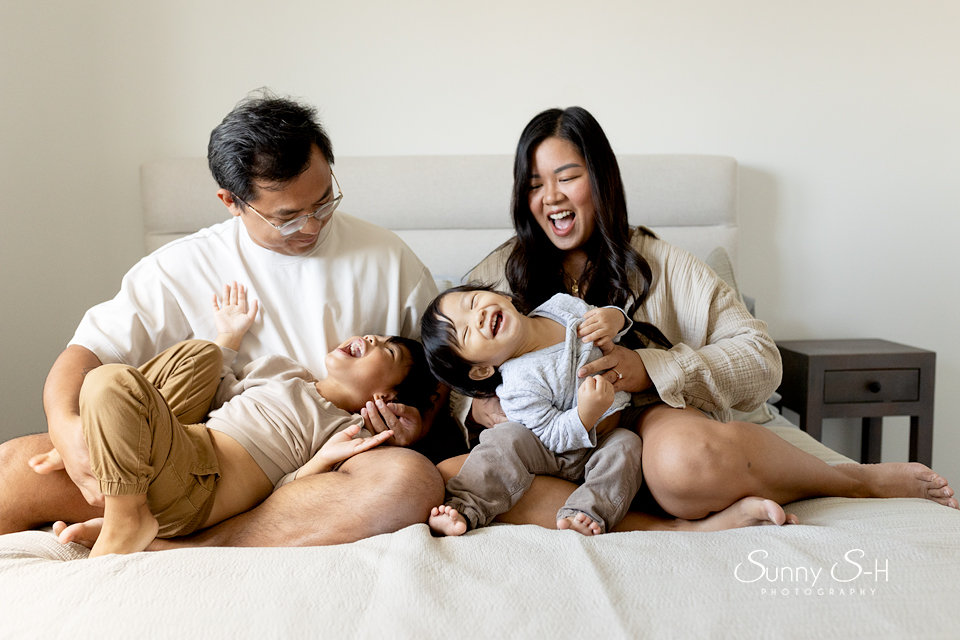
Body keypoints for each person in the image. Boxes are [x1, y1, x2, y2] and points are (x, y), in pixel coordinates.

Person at [431, 106, 957, 530]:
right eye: (533, 184)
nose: (551, 197)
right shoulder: (496, 277)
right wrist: (479, 411)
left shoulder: (663, 264)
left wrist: (651, 370)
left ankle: (849, 480)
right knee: (468, 473)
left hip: (642, 423)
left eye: (568, 176)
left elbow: (761, 360)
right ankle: (680, 531)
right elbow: (447, 365)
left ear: (602, 179)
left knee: (686, 465)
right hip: (552, 443)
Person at [0, 92, 448, 545]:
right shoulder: (179, 266)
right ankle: (147, 518)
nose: (313, 226)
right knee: (14, 469)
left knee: (409, 481)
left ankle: (189, 543)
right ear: (231, 201)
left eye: (324, 201)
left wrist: (416, 427)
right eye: (288, 217)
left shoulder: (387, 257)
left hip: (325, 468)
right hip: (191, 456)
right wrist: (68, 427)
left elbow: (444, 377)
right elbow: (87, 354)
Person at [32, 283, 437, 556]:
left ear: (385, 396)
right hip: (177, 442)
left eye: (387, 350)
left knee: (109, 381)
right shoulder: (282, 369)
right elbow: (209, 389)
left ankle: (126, 519)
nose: (369, 339)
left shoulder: (343, 430)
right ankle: (95, 437)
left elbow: (292, 495)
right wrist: (227, 337)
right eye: (372, 335)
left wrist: (329, 458)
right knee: (201, 355)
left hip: (197, 484)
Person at [422, 285, 646, 536]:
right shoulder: (517, 385)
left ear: (504, 297)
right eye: (466, 332)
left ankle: (588, 512)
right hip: (552, 452)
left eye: (473, 302)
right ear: (482, 370)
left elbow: (609, 328)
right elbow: (551, 436)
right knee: (505, 439)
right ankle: (465, 506)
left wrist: (614, 319)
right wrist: (586, 414)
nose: (479, 316)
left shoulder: (561, 306)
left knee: (627, 444)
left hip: (606, 437)